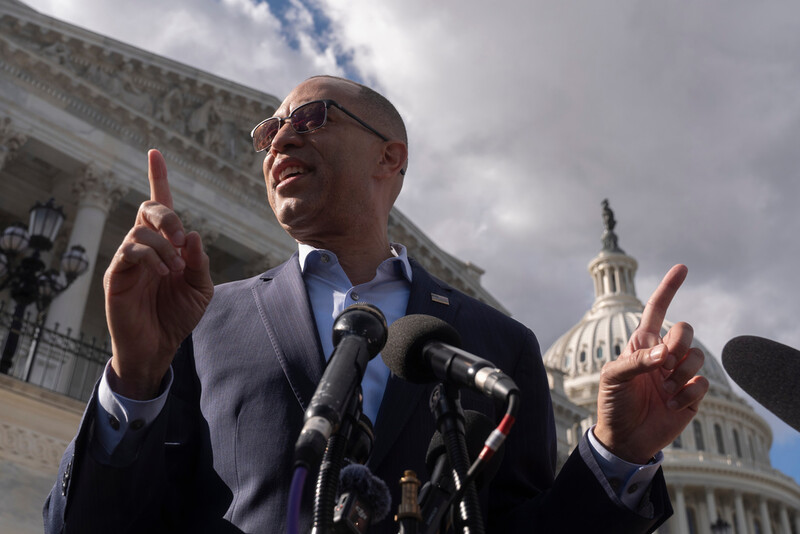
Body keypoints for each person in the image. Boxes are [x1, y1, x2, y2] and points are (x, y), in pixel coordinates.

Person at [44, 76, 708, 533]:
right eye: (270, 129)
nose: (279, 139)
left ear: (390, 158)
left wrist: (616, 455)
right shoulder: (204, 318)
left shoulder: (496, 343)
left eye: (309, 118)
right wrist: (132, 380)